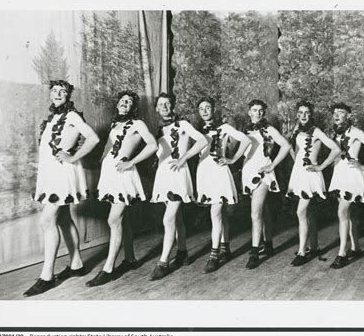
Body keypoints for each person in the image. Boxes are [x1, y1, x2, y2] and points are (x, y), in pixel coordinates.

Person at [24, 80, 100, 297]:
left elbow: (93, 138)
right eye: (54, 91)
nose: (57, 94)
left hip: (62, 173)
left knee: (47, 220)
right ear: (51, 95)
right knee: (64, 219)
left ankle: (46, 276)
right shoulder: (52, 119)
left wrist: (73, 156)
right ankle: (77, 264)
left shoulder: (73, 116)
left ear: (68, 96)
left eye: (62, 91)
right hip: (51, 174)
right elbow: (51, 148)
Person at [86, 91, 158, 287]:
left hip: (124, 174)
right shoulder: (114, 124)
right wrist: (102, 163)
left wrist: (131, 162)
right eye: (122, 101)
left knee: (114, 218)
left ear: (133, 107)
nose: (125, 103)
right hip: (110, 175)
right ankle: (131, 258)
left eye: (129, 102)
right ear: (118, 105)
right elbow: (107, 148)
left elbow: (152, 145)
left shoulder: (138, 124)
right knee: (121, 218)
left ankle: (108, 269)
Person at [150, 92, 208, 280]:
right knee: (177, 218)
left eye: (168, 103)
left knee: (168, 219)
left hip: (178, 175)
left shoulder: (183, 124)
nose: (165, 107)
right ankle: (182, 253)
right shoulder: (158, 132)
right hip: (163, 176)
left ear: (172, 106)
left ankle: (163, 262)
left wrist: (183, 158)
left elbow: (202, 140)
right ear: (157, 109)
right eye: (161, 104)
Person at [195, 97, 251, 273]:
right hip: (204, 173)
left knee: (216, 212)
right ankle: (226, 248)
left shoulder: (224, 128)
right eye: (201, 108)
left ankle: (213, 255)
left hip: (219, 172)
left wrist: (232, 159)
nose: (204, 111)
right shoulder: (198, 131)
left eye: (208, 107)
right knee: (221, 214)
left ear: (214, 110)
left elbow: (246, 140)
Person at [286, 100, 341, 266]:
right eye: (300, 113)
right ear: (297, 115)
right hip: (299, 174)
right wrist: (296, 160)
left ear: (311, 115)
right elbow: (294, 151)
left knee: (300, 212)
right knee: (308, 212)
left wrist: (320, 167)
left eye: (307, 113)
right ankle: (314, 246)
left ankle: (302, 252)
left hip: (310, 175)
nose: (303, 116)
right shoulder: (296, 130)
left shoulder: (316, 131)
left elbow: (336, 149)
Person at [328, 102, 364, 269]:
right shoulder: (335, 132)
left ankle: (342, 253)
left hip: (351, 175)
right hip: (339, 174)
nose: (336, 115)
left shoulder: (356, 132)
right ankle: (356, 248)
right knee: (349, 214)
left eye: (341, 112)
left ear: (348, 116)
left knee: (342, 211)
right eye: (335, 112)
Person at [242, 99, 291, 269]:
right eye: (254, 110)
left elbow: (286, 145)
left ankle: (254, 252)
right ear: (249, 112)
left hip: (263, 174)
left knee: (255, 212)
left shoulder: (269, 129)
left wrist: (273, 165)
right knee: (263, 210)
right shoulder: (246, 130)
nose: (258, 113)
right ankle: (268, 244)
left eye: (261, 110)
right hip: (248, 174)